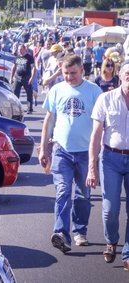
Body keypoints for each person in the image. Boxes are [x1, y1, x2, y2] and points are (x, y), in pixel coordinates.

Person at [39, 54, 102, 254]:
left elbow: (101, 124)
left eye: (73, 73)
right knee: (63, 192)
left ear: (82, 69)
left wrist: (97, 155)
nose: (69, 77)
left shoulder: (94, 91)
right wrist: (42, 147)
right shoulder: (57, 90)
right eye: (65, 73)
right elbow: (49, 120)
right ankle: (61, 234)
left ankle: (80, 231)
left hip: (85, 152)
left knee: (83, 196)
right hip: (62, 151)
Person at [86, 60, 129, 270]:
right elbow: (95, 135)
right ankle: (111, 241)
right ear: (120, 76)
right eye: (128, 74)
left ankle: (128, 252)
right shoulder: (106, 98)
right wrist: (92, 167)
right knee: (110, 209)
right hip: (110, 158)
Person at [10, 44, 36, 113]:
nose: (19, 51)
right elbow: (14, 67)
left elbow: (33, 68)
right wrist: (11, 77)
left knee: (29, 93)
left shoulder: (29, 57)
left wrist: (32, 78)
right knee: (15, 93)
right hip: (17, 78)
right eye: (18, 49)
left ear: (25, 49)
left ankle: (29, 108)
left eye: (21, 49)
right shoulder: (17, 58)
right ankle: (16, 109)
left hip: (27, 78)